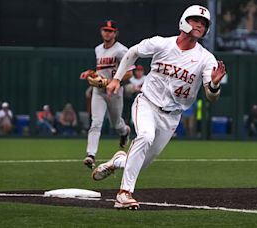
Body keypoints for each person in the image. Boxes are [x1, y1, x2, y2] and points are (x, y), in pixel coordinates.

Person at [92, 5, 227, 210]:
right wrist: (117, 79)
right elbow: (132, 52)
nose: (199, 25)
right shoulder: (162, 43)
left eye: (204, 23)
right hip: (147, 102)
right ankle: (124, 194)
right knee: (145, 136)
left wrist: (215, 85)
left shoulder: (206, 58)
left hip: (172, 117)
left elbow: (211, 96)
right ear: (183, 21)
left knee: (140, 164)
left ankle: (118, 161)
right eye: (195, 20)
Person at [80, 20, 134, 169]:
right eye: (105, 30)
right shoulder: (98, 49)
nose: (107, 33)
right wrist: (90, 73)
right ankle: (91, 155)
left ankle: (125, 132)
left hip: (115, 91)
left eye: (110, 31)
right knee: (96, 122)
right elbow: (100, 72)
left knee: (116, 124)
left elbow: (129, 73)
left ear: (115, 33)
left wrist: (112, 81)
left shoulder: (122, 50)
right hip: (99, 92)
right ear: (101, 31)